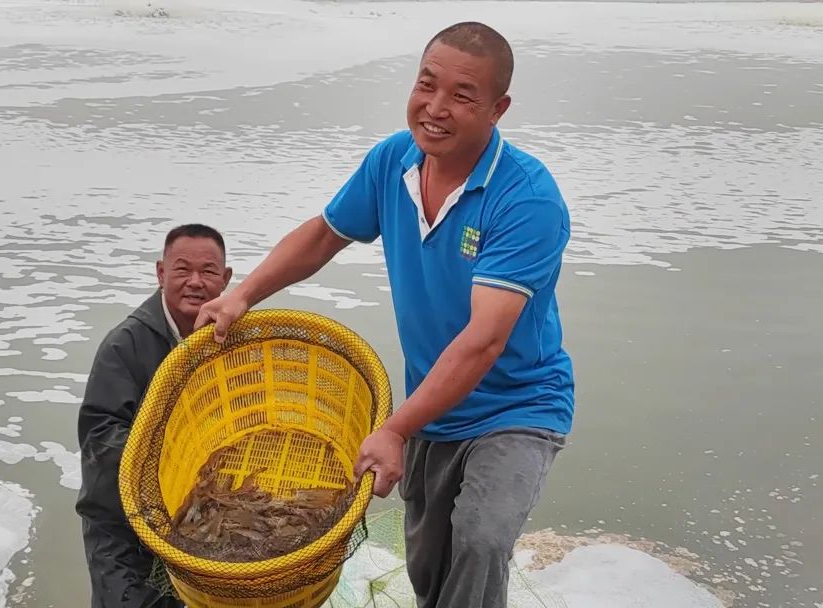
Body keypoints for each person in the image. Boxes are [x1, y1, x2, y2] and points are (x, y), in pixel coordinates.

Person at [193, 22, 574, 608]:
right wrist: (242, 295)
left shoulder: (526, 199)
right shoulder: (393, 162)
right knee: (428, 566)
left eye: (462, 96)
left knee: (481, 537)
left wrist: (394, 428)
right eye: (427, 84)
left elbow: (483, 341)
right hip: (435, 404)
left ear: (498, 109)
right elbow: (325, 234)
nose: (435, 108)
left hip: (518, 403)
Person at [76, 223, 233, 608]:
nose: (195, 282)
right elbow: (99, 437)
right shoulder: (124, 346)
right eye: (182, 270)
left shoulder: (233, 340)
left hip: (204, 519)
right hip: (122, 526)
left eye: (209, 271)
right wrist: (175, 459)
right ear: (161, 272)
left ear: (226, 279)